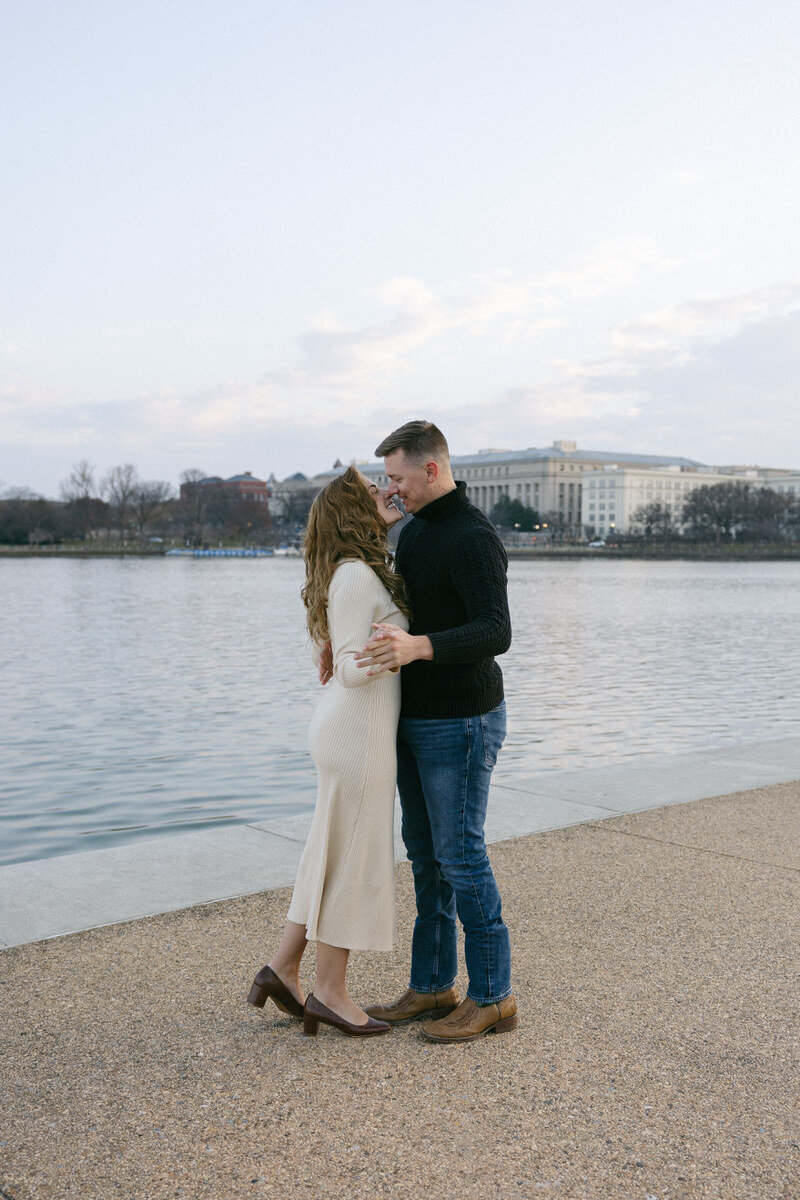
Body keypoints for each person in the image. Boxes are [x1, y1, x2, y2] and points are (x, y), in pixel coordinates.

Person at [356, 420, 518, 1044]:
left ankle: (492, 997)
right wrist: (378, 524)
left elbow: (495, 631)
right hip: (416, 716)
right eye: (384, 481)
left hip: (463, 718)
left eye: (396, 478)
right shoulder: (415, 529)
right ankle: (431, 985)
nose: (390, 489)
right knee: (425, 856)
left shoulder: (474, 538)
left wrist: (420, 646)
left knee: (460, 855)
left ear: (431, 468)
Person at [247, 466, 409, 1038]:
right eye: (373, 492)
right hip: (357, 734)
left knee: (328, 852)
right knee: (354, 859)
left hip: (347, 731)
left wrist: (355, 644)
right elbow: (346, 667)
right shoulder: (357, 576)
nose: (386, 493)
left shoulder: (349, 573)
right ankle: (331, 992)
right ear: (351, 513)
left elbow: (335, 648)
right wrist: (405, 649)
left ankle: (283, 967)